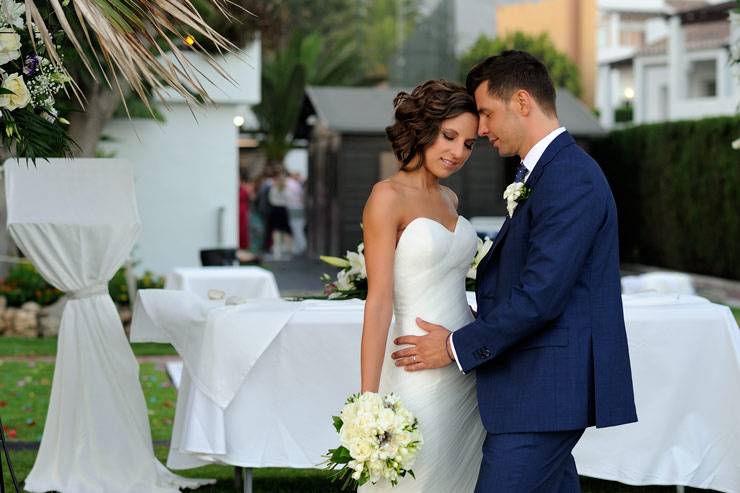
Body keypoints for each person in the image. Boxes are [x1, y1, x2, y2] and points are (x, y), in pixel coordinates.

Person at [392, 51, 637, 492]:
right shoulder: (547, 172)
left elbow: (540, 295)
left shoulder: (569, 178)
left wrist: (452, 346)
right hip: (534, 388)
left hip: (543, 393)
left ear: (522, 102)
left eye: (486, 113)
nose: (480, 129)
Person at [359, 79, 485, 492]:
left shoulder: (450, 199)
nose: (458, 152)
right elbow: (377, 303)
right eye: (450, 136)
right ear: (424, 128)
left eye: (469, 144)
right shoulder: (386, 197)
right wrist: (368, 401)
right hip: (416, 368)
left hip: (462, 365)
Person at [267, 167, 293, 259]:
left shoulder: (275, 189)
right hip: (281, 210)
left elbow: (271, 200)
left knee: (279, 232)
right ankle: (284, 251)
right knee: (284, 232)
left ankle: (279, 251)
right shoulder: (284, 189)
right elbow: (289, 200)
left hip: (277, 210)